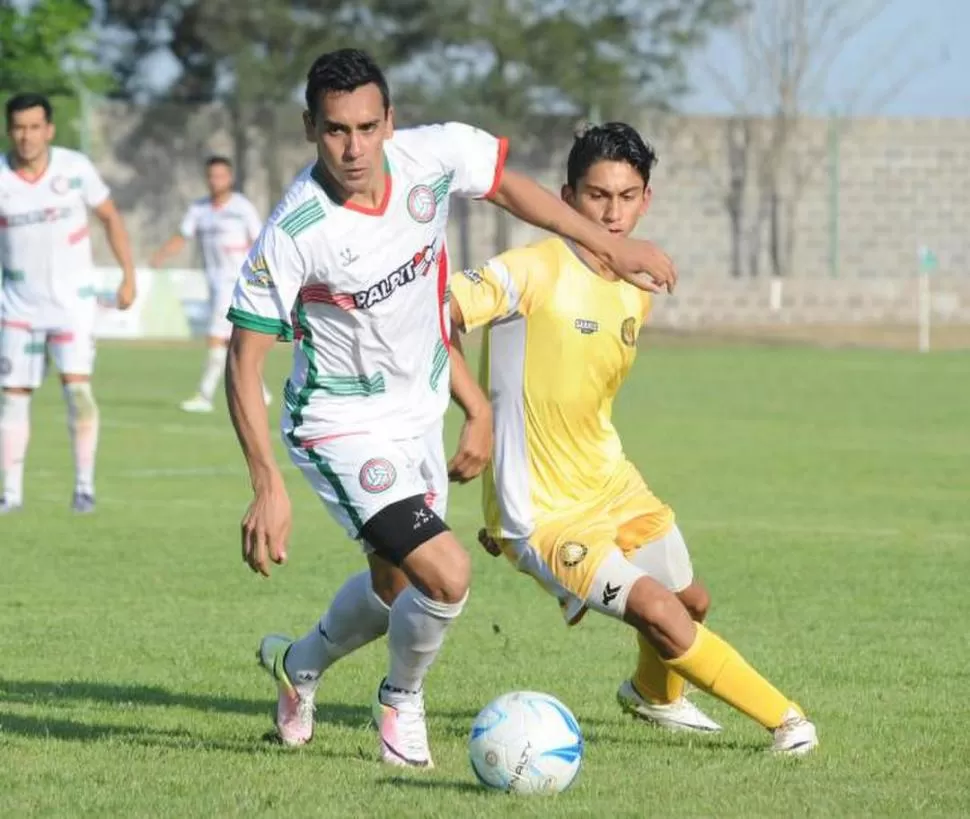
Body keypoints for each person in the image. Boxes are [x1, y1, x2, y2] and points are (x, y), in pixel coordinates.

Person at [224, 49, 676, 768]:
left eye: (368, 127)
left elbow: (511, 192)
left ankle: (298, 667)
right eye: (336, 130)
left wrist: (604, 252)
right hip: (340, 424)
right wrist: (266, 482)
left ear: (391, 121)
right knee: (447, 573)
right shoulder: (295, 230)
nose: (354, 147)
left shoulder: (434, 156)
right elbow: (242, 364)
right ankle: (400, 701)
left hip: (420, 410)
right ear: (310, 126)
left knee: (395, 587)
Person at [448, 122, 818, 755]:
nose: (612, 213)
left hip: (613, 484)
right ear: (567, 197)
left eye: (626, 197)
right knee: (661, 613)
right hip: (543, 513)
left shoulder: (638, 287)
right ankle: (788, 722)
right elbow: (436, 314)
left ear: (646, 199)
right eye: (596, 196)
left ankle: (653, 697)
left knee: (691, 601)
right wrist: (477, 418)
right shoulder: (530, 270)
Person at [0, 93, 137, 514]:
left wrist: (127, 274)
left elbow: (110, 217)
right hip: (16, 305)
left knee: (77, 392)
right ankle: (11, 493)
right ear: (10, 130)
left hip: (72, 305)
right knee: (12, 397)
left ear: (49, 130)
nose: (26, 136)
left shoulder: (76, 168)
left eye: (34, 127)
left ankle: (83, 488)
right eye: (19, 127)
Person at [150, 156, 269, 412]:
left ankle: (204, 396)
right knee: (234, 340)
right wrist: (161, 254)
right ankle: (260, 390)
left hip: (238, 281)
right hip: (214, 282)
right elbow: (183, 235)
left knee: (216, 338)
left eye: (221, 176)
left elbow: (260, 241)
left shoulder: (242, 207)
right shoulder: (199, 209)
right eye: (211, 176)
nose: (216, 181)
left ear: (230, 178)